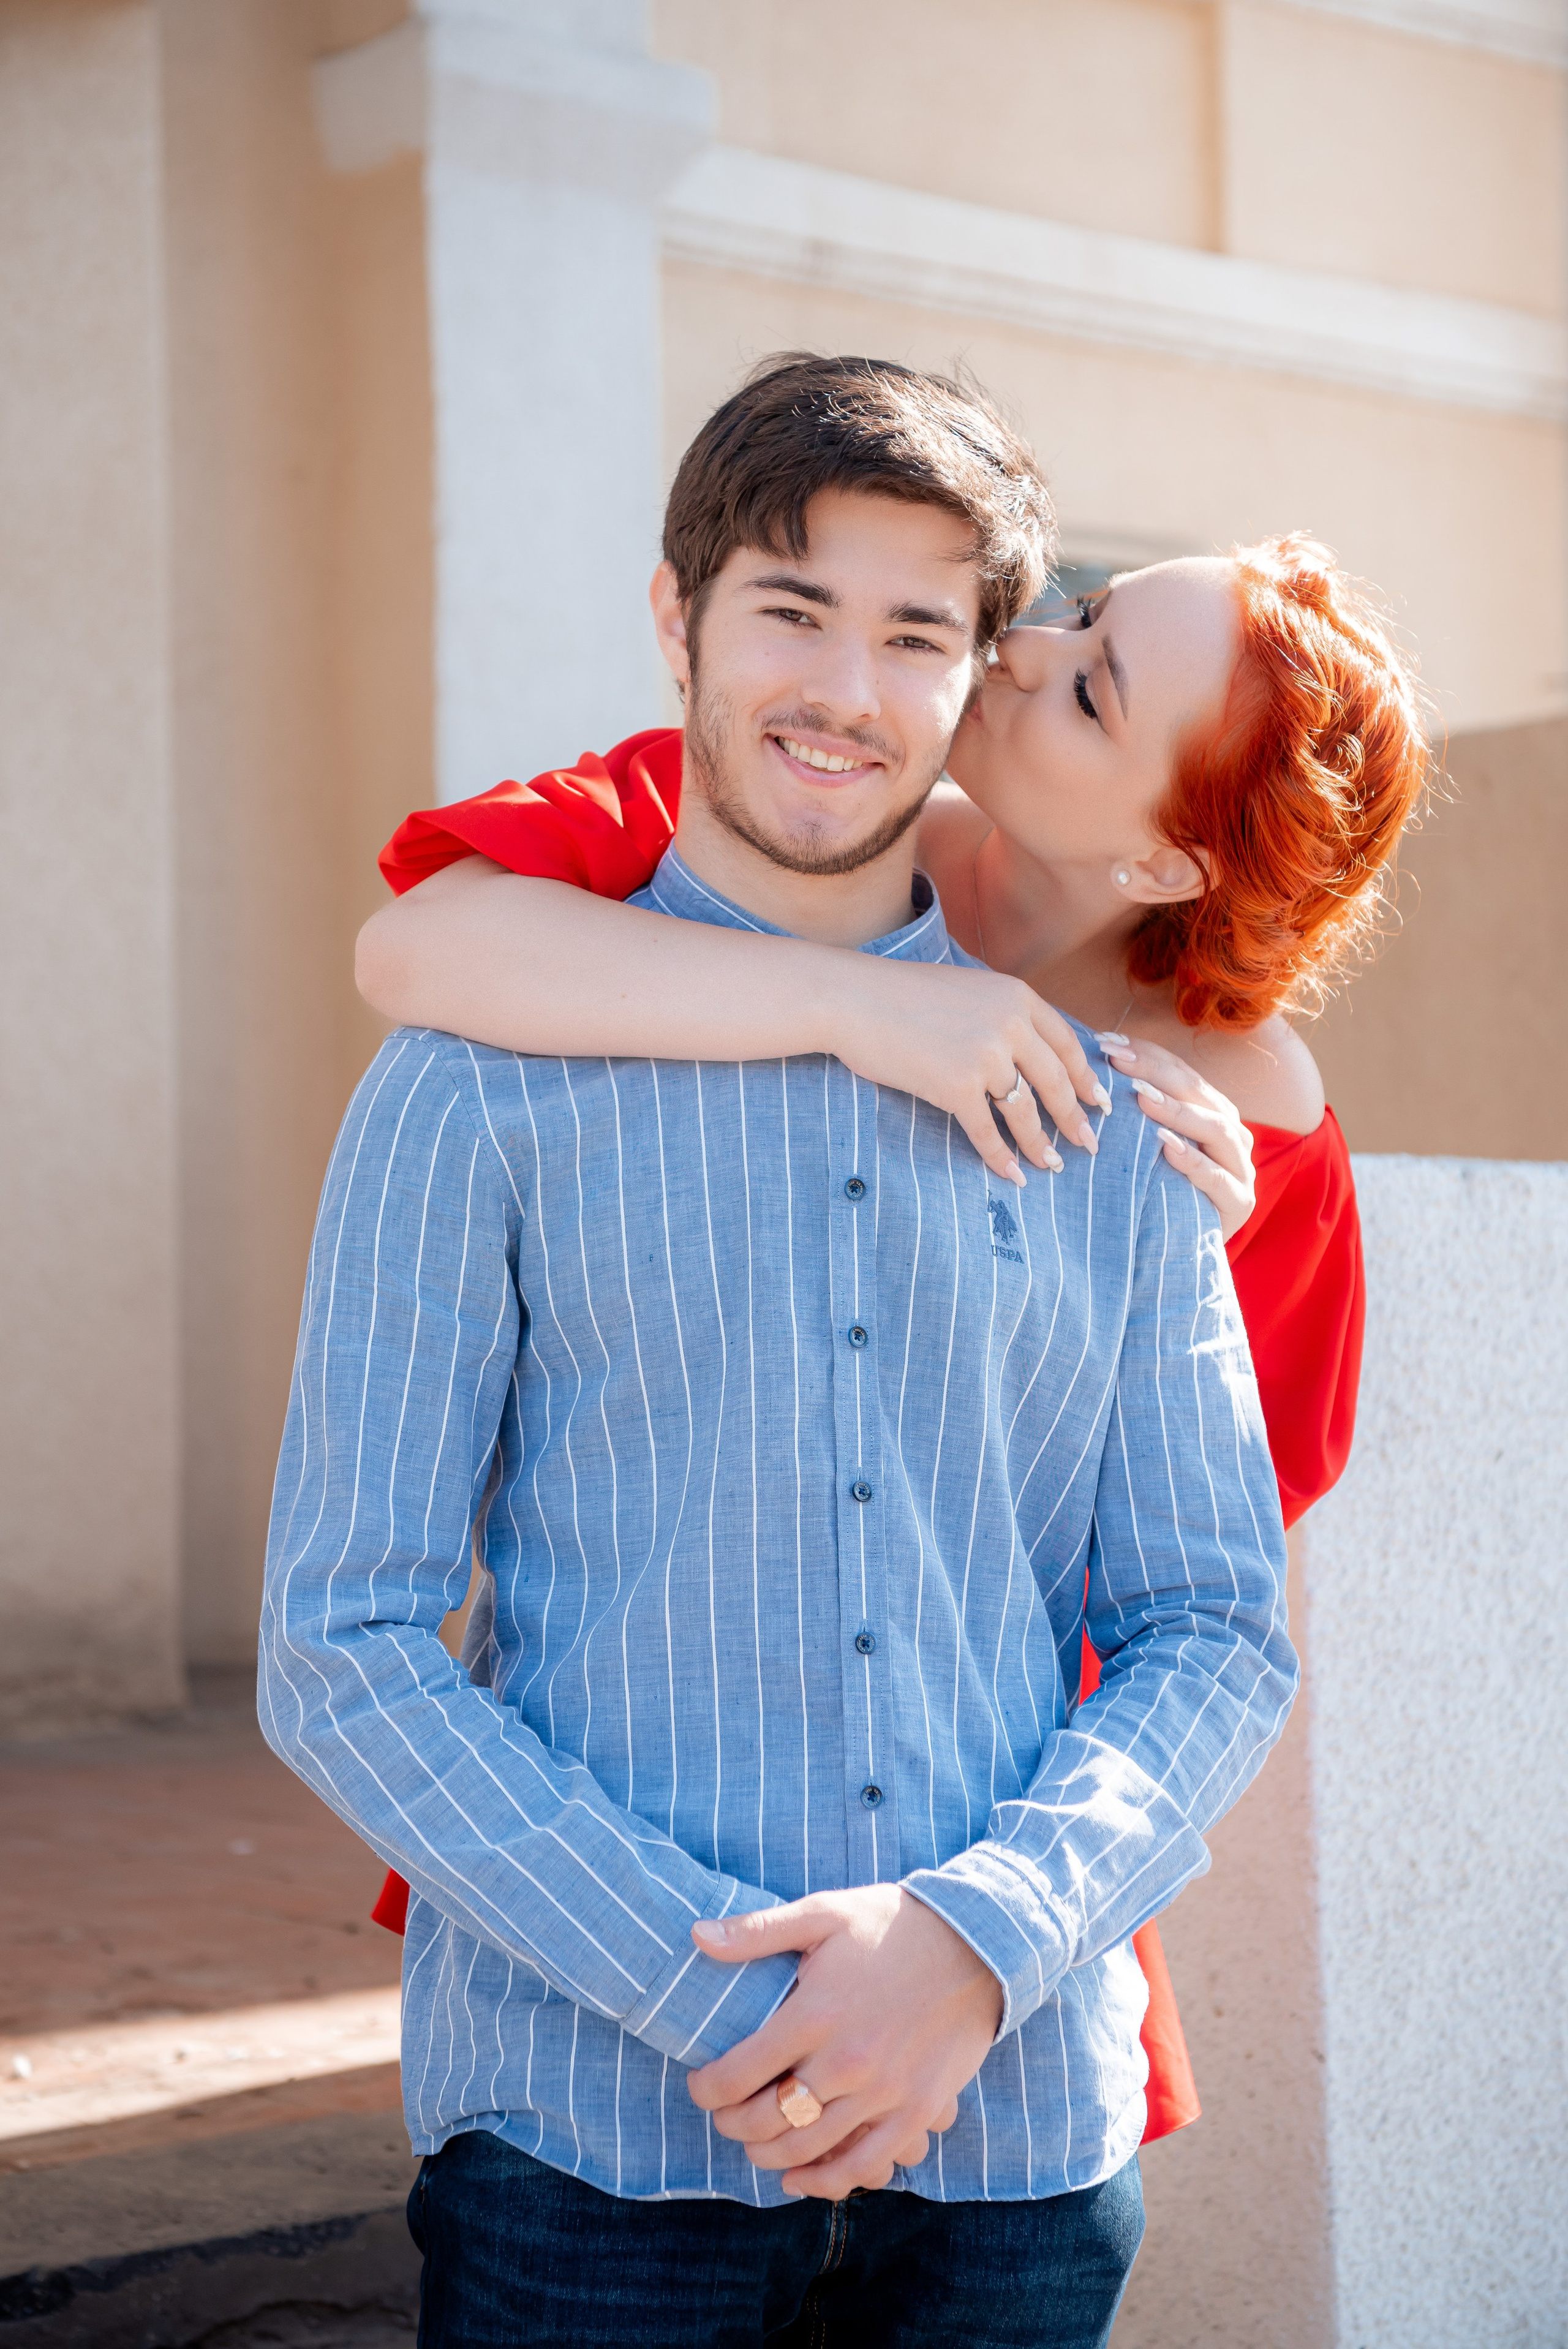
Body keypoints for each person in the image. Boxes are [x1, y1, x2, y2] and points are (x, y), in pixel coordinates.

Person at [260, 355, 1299, 2349]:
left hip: (1010, 2165)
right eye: (791, 608)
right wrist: (730, 1997)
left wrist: (975, 1946)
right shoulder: (472, 1085)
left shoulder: (1129, 1136)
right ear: (678, 617)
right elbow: (344, 1643)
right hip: (590, 2145)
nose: (844, 687)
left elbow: (1217, 1629)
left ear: (976, 676)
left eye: (914, 633)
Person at [355, 488, 1422, 2150]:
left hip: (970, 1820)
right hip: (636, 1735)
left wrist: (1140, 1279)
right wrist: (856, 1002)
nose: (1027, 644)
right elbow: (419, 945)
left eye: (1092, 686)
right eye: (1080, 606)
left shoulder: (1240, 1127)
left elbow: (1204, 1580)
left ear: (1166, 856)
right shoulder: (810, 797)